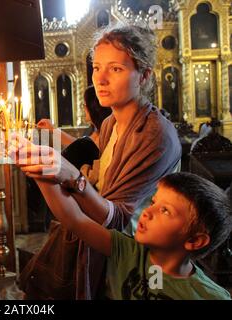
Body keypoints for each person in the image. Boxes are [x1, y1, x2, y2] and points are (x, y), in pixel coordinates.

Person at [12, 22, 182, 299]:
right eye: (97, 67)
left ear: (143, 75)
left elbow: (115, 219)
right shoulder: (111, 124)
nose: (100, 79)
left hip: (138, 257)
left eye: (115, 69)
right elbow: (101, 185)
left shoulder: (154, 134)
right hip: (109, 244)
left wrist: (72, 177)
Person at [16, 167, 232, 299]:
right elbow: (74, 219)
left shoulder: (209, 296)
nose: (148, 212)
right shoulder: (128, 251)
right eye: (154, 202)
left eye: (165, 210)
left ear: (195, 240)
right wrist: (41, 170)